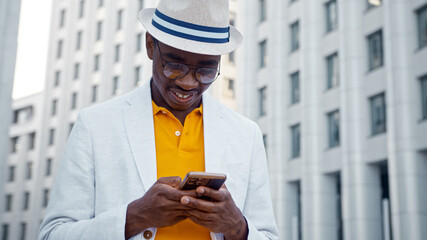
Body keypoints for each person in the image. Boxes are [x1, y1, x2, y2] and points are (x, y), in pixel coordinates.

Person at [39, 0, 279, 239]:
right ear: (150, 45)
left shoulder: (246, 134)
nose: (188, 83)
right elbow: (52, 234)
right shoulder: (95, 126)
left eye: (206, 71)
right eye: (174, 66)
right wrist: (136, 216)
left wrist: (237, 227)